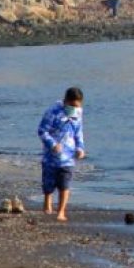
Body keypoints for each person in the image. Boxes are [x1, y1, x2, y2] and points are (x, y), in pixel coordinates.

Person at [37, 87, 86, 222]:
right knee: (48, 183)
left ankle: (61, 211)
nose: (74, 108)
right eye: (72, 105)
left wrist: (80, 148)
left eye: (77, 106)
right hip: (50, 157)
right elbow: (42, 131)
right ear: (66, 101)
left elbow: (78, 132)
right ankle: (47, 203)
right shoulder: (53, 112)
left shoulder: (78, 113)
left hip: (68, 158)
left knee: (65, 184)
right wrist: (52, 144)